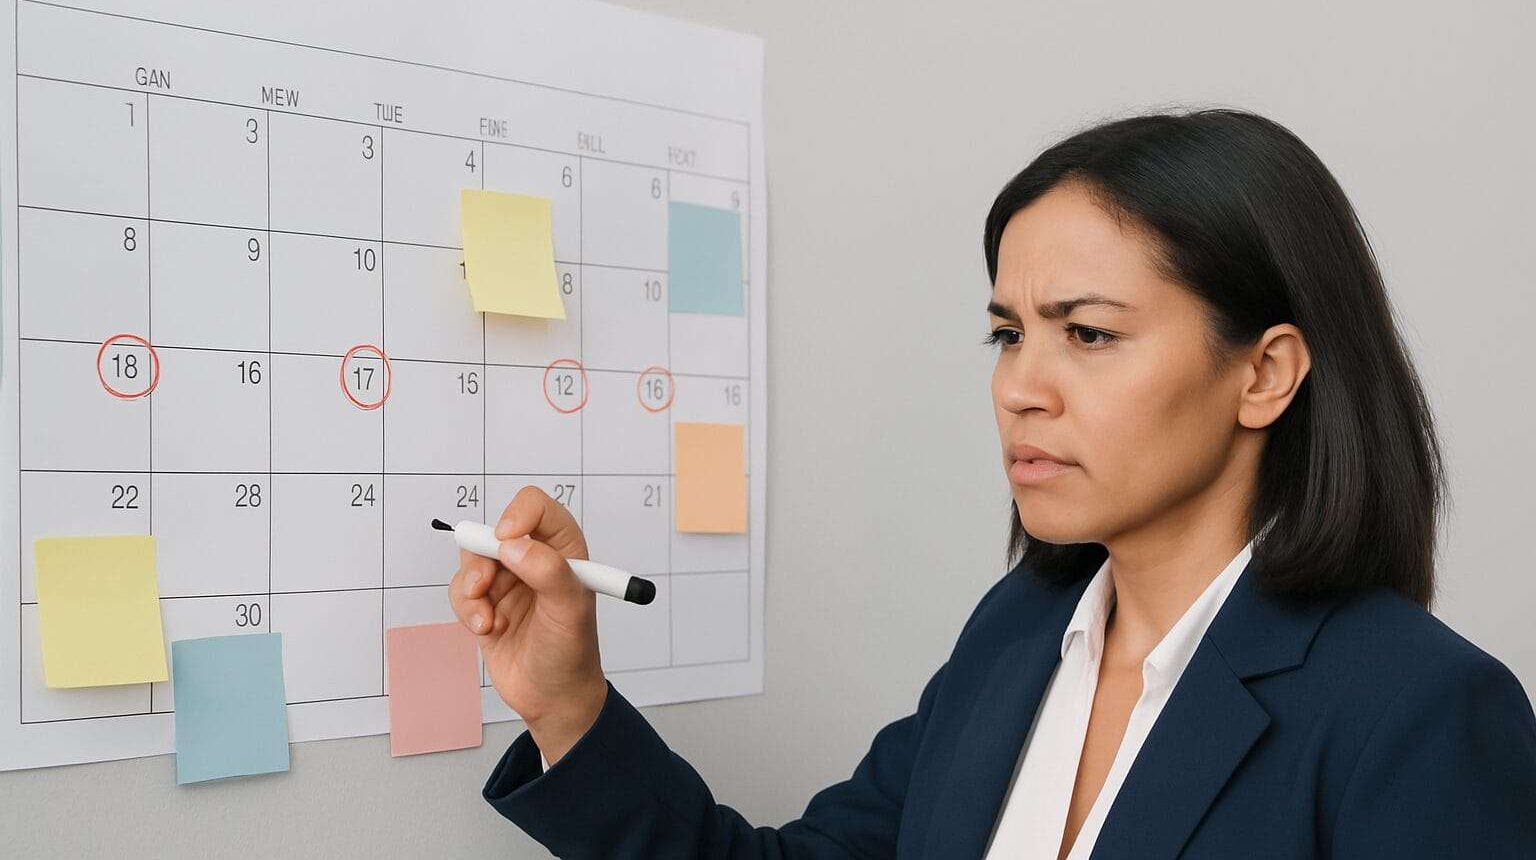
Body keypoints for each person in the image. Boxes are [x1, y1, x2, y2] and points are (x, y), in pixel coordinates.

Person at [449, 108, 1536, 858]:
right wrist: (570, 705)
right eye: (1009, 333)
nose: (1021, 386)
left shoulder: (1420, 709)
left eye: (1090, 333)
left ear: (1264, 372)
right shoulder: (1018, 634)